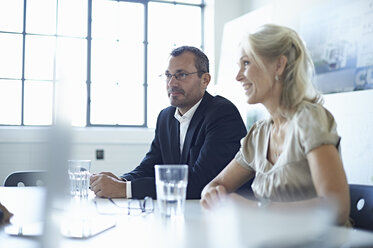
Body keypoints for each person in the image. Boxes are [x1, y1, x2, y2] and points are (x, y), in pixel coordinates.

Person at [200, 24, 350, 225]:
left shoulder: (309, 119)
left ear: (279, 65)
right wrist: (211, 193)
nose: (238, 76)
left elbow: (336, 208)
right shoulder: (259, 133)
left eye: (246, 63)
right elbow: (215, 184)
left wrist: (256, 209)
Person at [90, 46, 247, 199]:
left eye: (181, 75)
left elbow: (202, 182)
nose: (171, 83)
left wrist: (125, 189)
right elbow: (150, 166)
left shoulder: (222, 113)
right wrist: (121, 181)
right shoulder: (165, 117)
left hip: (227, 214)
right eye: (168, 75)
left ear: (205, 80)